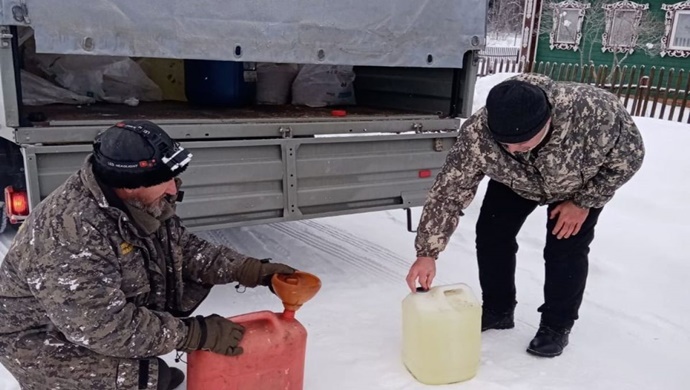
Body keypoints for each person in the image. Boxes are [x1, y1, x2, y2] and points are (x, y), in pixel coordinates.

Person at [0, 120, 296, 389]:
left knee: (154, 373)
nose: (173, 188)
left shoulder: (142, 201)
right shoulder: (69, 233)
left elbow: (185, 248)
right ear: (128, 185)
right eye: (164, 180)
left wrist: (249, 270)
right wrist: (193, 334)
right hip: (39, 338)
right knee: (145, 378)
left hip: (81, 321)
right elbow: (102, 325)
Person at [406, 73, 644, 357]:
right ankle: (498, 309)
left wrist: (584, 202)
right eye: (505, 144)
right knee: (492, 234)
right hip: (516, 182)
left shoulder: (594, 110)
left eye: (522, 143)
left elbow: (629, 159)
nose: (514, 150)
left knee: (565, 249)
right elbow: (449, 190)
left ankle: (557, 325)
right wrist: (427, 252)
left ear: (547, 120)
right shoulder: (478, 134)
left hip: (576, 188)